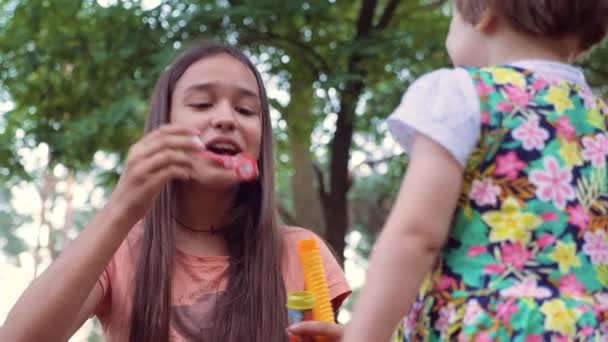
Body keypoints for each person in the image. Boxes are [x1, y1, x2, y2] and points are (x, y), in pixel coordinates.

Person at [0, 42, 351, 342]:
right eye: (201, 104)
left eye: (246, 110)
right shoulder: (121, 249)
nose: (226, 118)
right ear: (163, 125)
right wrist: (120, 210)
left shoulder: (301, 253)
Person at [342, 1, 608, 341]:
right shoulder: (598, 121)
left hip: (488, 328)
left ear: (482, 13)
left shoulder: (461, 95)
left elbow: (415, 235)